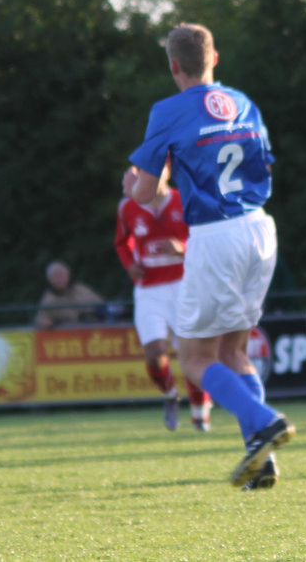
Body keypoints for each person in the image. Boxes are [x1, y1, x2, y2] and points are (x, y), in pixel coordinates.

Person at [128, 23, 291, 490]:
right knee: (233, 351)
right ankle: (261, 459)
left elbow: (144, 193)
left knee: (194, 358)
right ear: (214, 58)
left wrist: (136, 183)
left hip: (215, 234)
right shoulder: (243, 101)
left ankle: (264, 419)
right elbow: (264, 164)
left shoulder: (167, 110)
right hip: (259, 227)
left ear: (173, 65)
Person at [114, 166, 212, 432]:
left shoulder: (185, 199)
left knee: (191, 354)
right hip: (149, 290)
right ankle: (169, 394)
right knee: (154, 354)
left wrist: (183, 248)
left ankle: (199, 412)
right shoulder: (127, 207)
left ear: (164, 175)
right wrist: (129, 264)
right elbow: (122, 243)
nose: (135, 182)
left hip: (184, 286)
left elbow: (206, 238)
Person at [34, 261, 105, 328]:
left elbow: (102, 304)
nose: (60, 279)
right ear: (50, 280)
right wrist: (45, 323)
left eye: (62, 275)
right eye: (56, 276)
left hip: (95, 328)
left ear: (68, 275)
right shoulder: (48, 300)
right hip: (70, 333)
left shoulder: (82, 289)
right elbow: (40, 319)